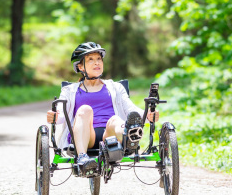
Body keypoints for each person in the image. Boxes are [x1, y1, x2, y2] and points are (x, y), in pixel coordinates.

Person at [46, 42, 159, 171]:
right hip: (85, 135)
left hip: (109, 134)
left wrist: (148, 115)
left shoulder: (115, 87)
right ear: (80, 67)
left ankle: (129, 138)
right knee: (85, 109)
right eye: (91, 60)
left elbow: (130, 110)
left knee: (115, 120)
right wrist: (55, 117)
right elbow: (61, 112)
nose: (97, 63)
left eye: (99, 59)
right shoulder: (69, 90)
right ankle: (83, 158)